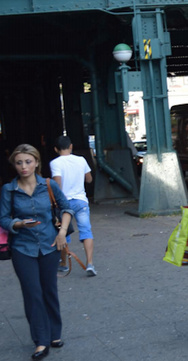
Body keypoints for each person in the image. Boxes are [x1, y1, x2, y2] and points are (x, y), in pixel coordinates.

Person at [0, 144, 74, 359]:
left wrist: (61, 234)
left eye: (28, 161)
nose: (24, 166)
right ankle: (41, 341)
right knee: (32, 293)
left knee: (49, 290)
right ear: (14, 164)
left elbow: (66, 207)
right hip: (23, 248)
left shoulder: (49, 185)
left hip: (50, 245)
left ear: (36, 162)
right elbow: (3, 218)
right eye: (19, 162)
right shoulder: (8, 189)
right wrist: (19, 224)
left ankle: (54, 334)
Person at [50, 136, 96, 276]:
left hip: (65, 203)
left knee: (64, 232)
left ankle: (64, 264)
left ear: (56, 149)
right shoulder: (81, 160)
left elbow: (57, 185)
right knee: (86, 231)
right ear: (71, 146)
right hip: (81, 200)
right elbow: (89, 179)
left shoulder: (55, 163)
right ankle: (90, 264)